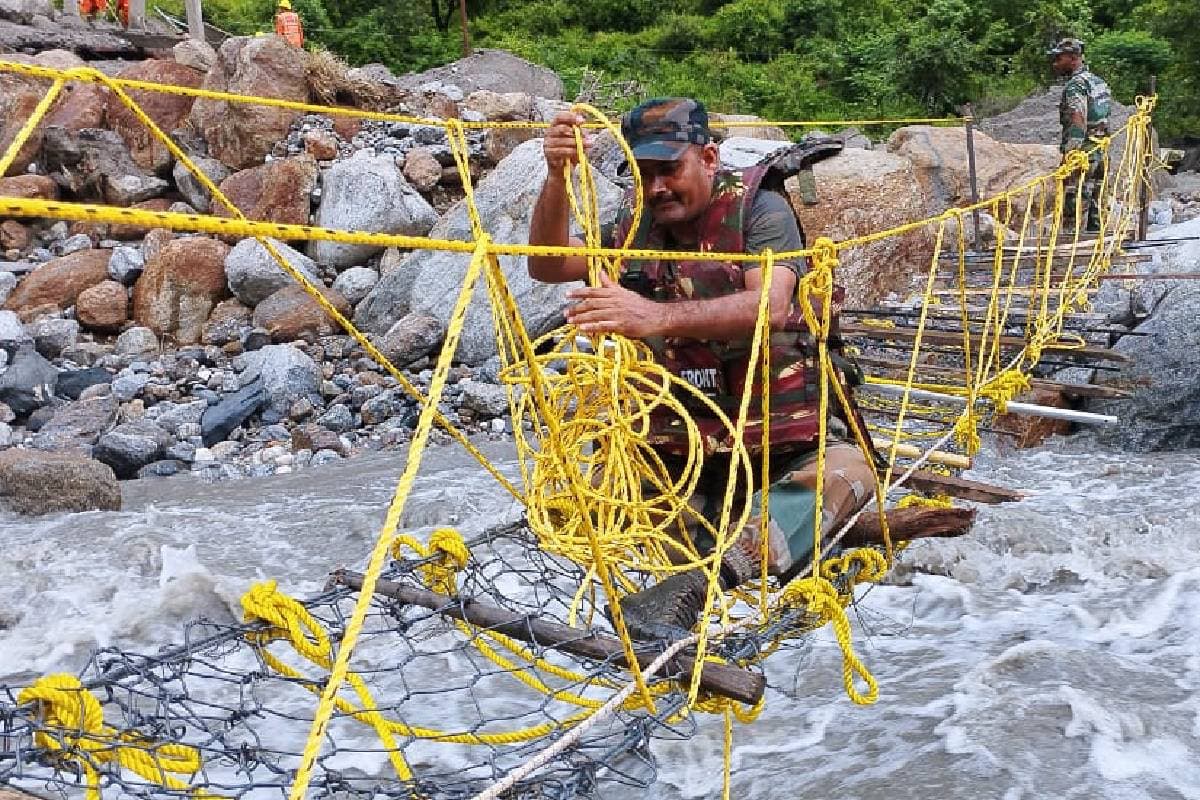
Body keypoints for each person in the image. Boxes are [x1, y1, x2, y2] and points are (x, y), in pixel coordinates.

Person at [527, 97, 877, 641]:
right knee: (583, 500)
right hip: (681, 453)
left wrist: (652, 316)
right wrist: (556, 176)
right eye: (643, 173)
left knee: (851, 475)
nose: (657, 187)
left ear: (708, 158)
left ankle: (709, 578)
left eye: (669, 169)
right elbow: (546, 263)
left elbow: (770, 305)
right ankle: (693, 569)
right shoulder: (634, 223)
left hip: (777, 448)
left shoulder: (761, 211)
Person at [1048, 38, 1112, 231]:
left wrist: (1070, 155)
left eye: (1059, 58)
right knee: (1097, 206)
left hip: (1083, 154)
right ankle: (1097, 245)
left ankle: (1070, 244)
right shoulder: (1099, 82)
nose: (1055, 63)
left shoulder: (1076, 85)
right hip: (1101, 151)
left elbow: (1078, 118)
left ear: (1072, 57)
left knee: (1073, 203)